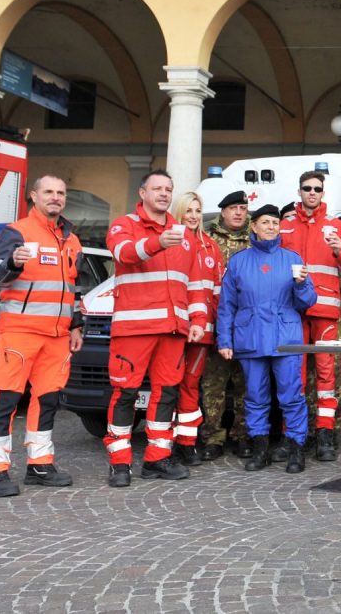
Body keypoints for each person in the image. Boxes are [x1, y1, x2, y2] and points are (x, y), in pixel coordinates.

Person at [0, 174, 84, 497]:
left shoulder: (73, 240)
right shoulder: (17, 233)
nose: (56, 197)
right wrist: (11, 262)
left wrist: (77, 325)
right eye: (49, 192)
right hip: (20, 335)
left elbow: (74, 289)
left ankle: (40, 464)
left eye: (61, 193)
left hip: (57, 338)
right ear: (33, 197)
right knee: (7, 401)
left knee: (47, 401)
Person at [104, 169, 208, 487]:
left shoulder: (184, 236)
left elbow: (194, 285)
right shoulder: (125, 225)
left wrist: (198, 321)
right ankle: (119, 463)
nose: (163, 193)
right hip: (134, 328)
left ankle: (157, 459)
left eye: (168, 189)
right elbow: (123, 253)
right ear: (142, 193)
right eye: (157, 188)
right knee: (125, 393)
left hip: (173, 330)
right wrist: (157, 242)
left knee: (166, 395)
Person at [216, 205, 318, 473]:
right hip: (251, 337)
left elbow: (307, 302)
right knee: (255, 397)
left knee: (291, 395)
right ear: (254, 227)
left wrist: (302, 284)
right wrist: (224, 340)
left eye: (275, 222)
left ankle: (296, 448)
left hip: (285, 338)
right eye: (265, 222)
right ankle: (260, 448)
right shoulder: (238, 262)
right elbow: (227, 305)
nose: (271, 227)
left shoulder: (292, 259)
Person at [280, 169, 341, 462]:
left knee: (326, 377)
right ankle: (294, 437)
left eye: (316, 188)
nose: (311, 193)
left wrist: (340, 252)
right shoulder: (285, 227)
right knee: (293, 377)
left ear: (323, 193)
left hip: (325, 313)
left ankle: (325, 436)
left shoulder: (336, 226)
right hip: (293, 313)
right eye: (306, 188)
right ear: (299, 191)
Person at [169, 191, 224, 468]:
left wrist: (218, 330)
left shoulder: (211, 247)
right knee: (168, 386)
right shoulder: (169, 243)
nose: (193, 216)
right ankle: (164, 444)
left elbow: (217, 294)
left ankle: (187, 444)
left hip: (202, 332)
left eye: (197, 210)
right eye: (188, 210)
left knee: (190, 385)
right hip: (174, 328)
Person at [199, 190, 253, 461]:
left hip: (246, 324)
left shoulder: (255, 239)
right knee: (213, 385)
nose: (238, 213)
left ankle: (242, 436)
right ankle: (213, 437)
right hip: (215, 321)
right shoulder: (207, 238)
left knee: (246, 385)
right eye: (233, 208)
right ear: (223, 211)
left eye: (242, 208)